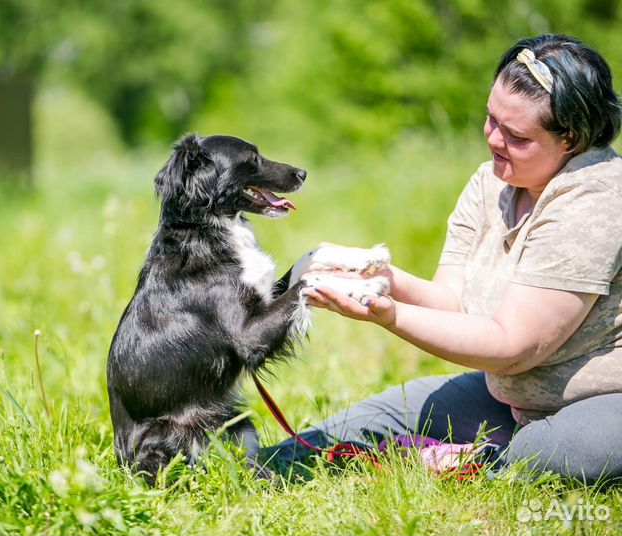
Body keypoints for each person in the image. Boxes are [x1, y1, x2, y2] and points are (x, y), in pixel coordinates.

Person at [266, 34, 622, 485]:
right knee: (347, 431)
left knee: (566, 452)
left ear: (569, 138)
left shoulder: (598, 196)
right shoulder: (491, 181)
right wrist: (378, 279)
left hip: (604, 404)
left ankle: (486, 462)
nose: (494, 139)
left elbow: (514, 346)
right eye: (491, 119)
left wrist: (390, 317)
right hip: (508, 400)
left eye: (515, 135)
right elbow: (454, 303)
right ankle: (245, 467)